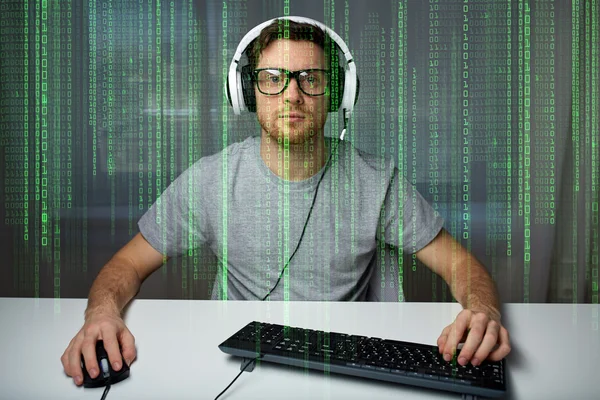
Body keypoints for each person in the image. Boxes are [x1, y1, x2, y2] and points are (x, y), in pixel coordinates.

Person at [61, 16, 511, 387]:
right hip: (237, 368)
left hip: (347, 368)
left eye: (310, 79)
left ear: (336, 94)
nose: (292, 94)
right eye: (273, 79)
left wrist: (483, 311)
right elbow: (127, 264)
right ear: (247, 93)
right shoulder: (209, 180)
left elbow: (461, 265)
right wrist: (101, 315)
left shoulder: (378, 182)